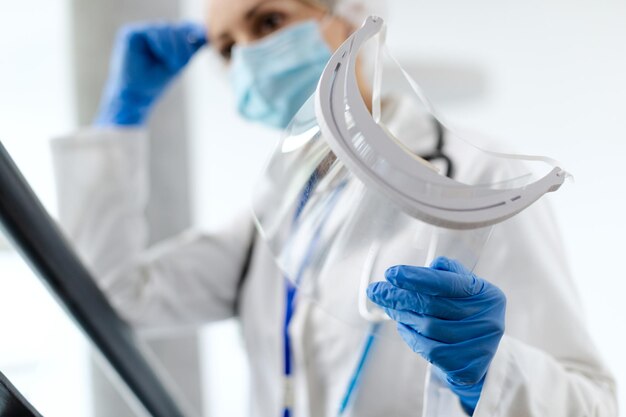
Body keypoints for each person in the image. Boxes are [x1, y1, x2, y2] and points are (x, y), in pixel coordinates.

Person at [50, 0, 617, 416]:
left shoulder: (481, 184)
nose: (248, 57)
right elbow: (116, 295)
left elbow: (593, 405)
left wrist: (490, 373)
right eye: (227, 48)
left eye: (268, 22)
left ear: (350, 17)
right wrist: (119, 123)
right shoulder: (273, 217)